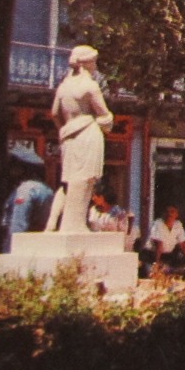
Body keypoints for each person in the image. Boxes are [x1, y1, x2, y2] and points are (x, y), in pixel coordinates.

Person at [48, 45, 114, 233]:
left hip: (69, 135)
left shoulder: (64, 87)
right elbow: (103, 113)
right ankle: (74, 225)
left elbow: (54, 113)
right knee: (85, 180)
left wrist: (64, 131)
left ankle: (52, 223)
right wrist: (107, 123)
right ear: (86, 64)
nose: (95, 65)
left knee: (68, 181)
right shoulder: (89, 86)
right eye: (93, 61)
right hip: (87, 133)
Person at [2, 148, 54, 251]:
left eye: (13, 166)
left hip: (22, 248)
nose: (9, 170)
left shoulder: (25, 190)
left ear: (21, 168)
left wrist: (9, 252)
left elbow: (18, 225)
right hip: (38, 245)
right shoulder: (45, 188)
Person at [140, 204, 185, 278]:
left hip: (166, 256)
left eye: (172, 212)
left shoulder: (178, 225)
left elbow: (183, 245)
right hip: (151, 255)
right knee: (154, 275)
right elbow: (159, 245)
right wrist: (156, 264)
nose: (169, 214)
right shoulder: (158, 223)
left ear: (177, 214)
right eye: (167, 212)